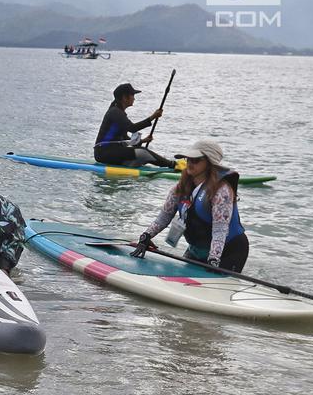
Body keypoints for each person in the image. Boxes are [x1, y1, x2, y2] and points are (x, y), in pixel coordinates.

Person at [131, 139, 249, 272]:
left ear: (209, 163)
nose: (190, 164)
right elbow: (163, 218)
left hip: (228, 251)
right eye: (188, 159)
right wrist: (146, 236)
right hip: (198, 250)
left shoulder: (222, 191)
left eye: (196, 160)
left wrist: (214, 259)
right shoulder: (180, 187)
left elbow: (220, 230)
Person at [94, 83, 173, 168]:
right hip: (103, 152)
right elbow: (132, 128)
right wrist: (152, 117)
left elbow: (124, 138)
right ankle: (172, 165)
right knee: (142, 152)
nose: (134, 98)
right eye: (132, 95)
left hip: (110, 151)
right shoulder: (115, 112)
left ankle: (130, 166)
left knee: (140, 158)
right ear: (124, 97)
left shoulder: (119, 112)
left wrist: (142, 141)